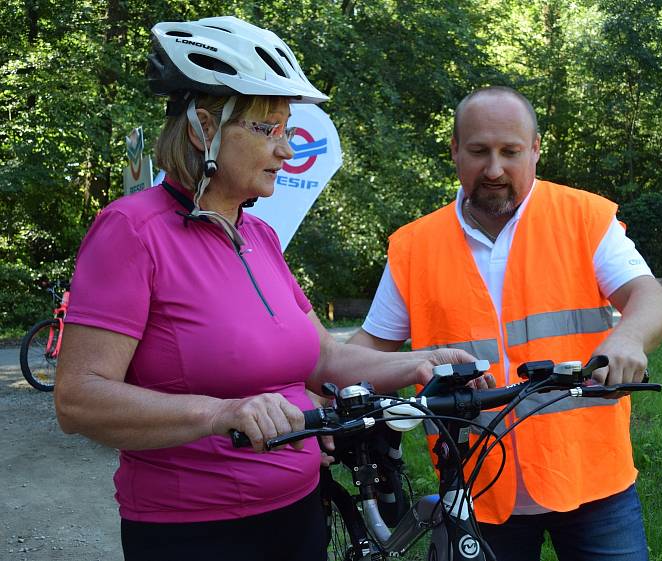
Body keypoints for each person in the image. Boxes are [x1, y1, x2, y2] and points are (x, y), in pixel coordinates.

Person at [54, 16, 471, 561]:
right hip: (196, 531)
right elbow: (78, 399)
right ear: (204, 127)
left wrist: (423, 363)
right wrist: (220, 413)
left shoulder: (259, 235)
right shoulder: (131, 231)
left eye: (287, 129)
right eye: (267, 129)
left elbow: (323, 358)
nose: (286, 149)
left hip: (299, 512)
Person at [348, 86, 662, 561]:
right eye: (479, 151)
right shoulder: (415, 246)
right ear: (455, 151)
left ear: (536, 148)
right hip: (476, 488)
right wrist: (313, 388)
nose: (495, 169)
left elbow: (649, 297)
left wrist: (627, 336)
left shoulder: (584, 218)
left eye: (510, 151)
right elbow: (369, 344)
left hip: (591, 479)